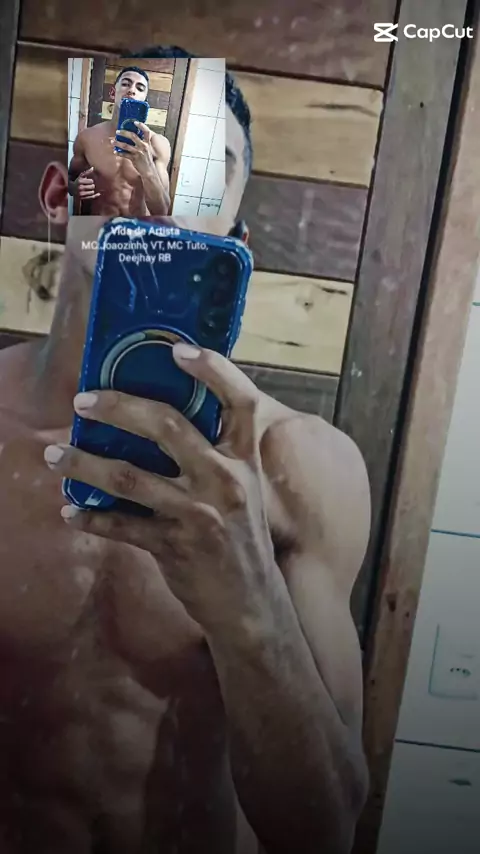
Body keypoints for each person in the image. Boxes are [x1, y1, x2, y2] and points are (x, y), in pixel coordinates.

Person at [0, 46, 370, 854]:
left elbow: (326, 829)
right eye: (127, 144)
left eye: (202, 170)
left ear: (232, 239)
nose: (156, 194)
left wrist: (248, 602)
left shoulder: (299, 469)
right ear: (63, 197)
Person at [68, 65, 171, 217]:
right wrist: (73, 188)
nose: (132, 90)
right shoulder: (87, 138)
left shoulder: (158, 144)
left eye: (140, 88)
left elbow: (162, 210)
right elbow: (70, 179)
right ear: (112, 92)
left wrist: (147, 169)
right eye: (126, 84)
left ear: (144, 99)